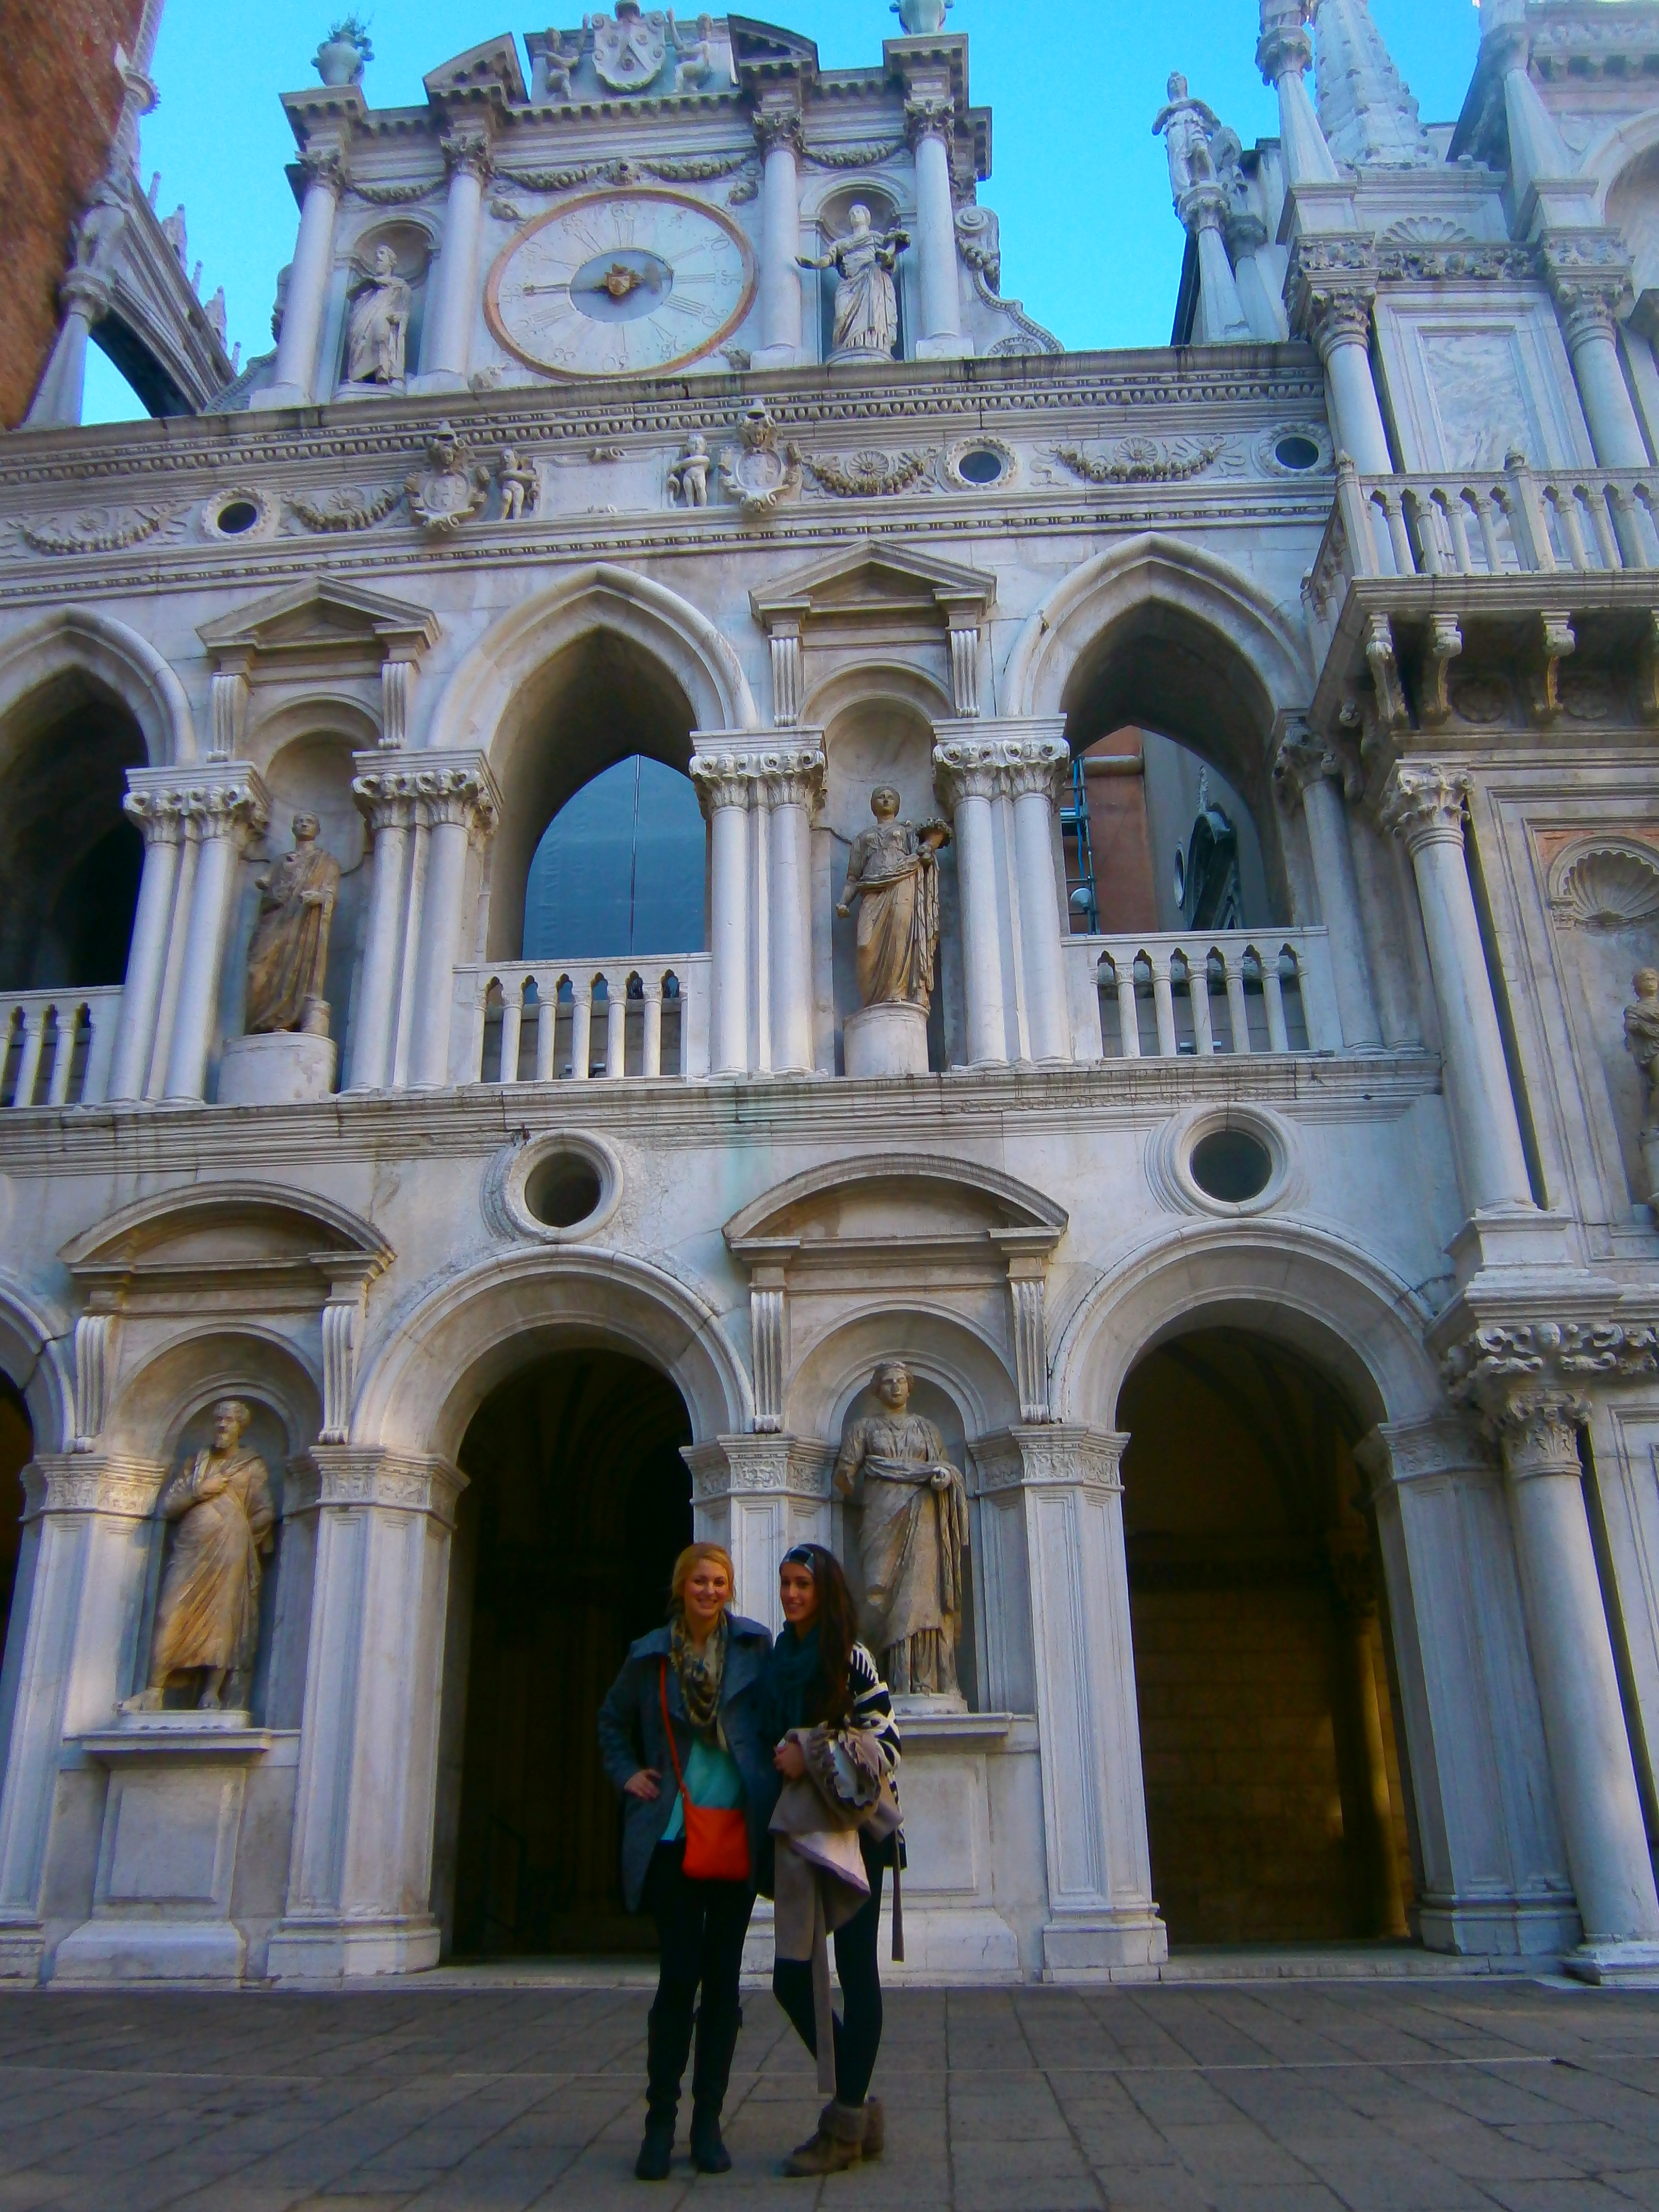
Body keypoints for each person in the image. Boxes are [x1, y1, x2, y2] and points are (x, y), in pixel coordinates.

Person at [597, 1543, 777, 2181]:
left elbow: (783, 1713)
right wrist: (627, 1774)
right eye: (700, 1580)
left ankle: (708, 2122)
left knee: (723, 1980)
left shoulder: (754, 1648)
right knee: (678, 1976)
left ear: (730, 1588)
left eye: (719, 1581)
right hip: (673, 1835)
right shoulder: (650, 1655)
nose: (710, 1590)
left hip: (736, 1831)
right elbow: (612, 1721)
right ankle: (660, 2122)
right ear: (682, 1587)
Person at [767, 1543, 902, 2177]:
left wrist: (809, 1748)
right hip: (800, 1833)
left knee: (856, 1968)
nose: (793, 1594)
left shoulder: (850, 1656)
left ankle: (846, 2122)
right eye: (786, 1583)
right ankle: (858, 2104)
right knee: (790, 1977)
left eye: (803, 1583)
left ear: (825, 1591)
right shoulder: (779, 1657)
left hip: (854, 1835)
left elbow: (887, 1742)